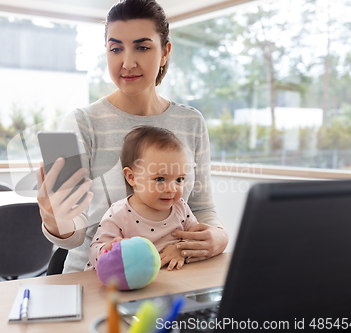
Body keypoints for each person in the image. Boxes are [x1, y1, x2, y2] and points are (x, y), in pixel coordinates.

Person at [36, 0, 228, 274]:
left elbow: (201, 207)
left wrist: (219, 234)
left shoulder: (191, 122)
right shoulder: (80, 123)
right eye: (116, 49)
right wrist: (56, 222)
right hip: (99, 282)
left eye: (142, 47)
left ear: (164, 52)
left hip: (175, 277)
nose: (127, 62)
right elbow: (74, 236)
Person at [86, 126, 201, 271]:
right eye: (160, 179)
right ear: (132, 177)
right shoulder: (119, 213)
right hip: (124, 285)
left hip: (170, 283)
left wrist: (180, 250)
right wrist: (108, 249)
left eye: (179, 179)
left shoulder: (181, 208)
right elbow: (94, 252)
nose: (172, 189)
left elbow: (197, 239)